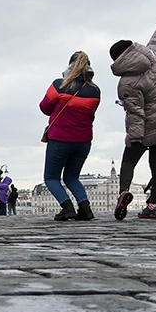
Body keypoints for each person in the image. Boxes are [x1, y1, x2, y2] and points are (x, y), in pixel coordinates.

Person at [110, 12, 156, 220]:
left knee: (128, 162)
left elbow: (135, 113)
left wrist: (135, 138)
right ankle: (153, 206)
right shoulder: (149, 58)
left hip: (147, 127)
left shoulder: (127, 83)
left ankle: (123, 192)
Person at [39, 51, 102, 221]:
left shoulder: (59, 85)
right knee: (72, 177)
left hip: (60, 139)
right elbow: (91, 113)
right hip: (83, 141)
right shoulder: (95, 91)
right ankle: (85, 208)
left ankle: (67, 208)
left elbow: (44, 107)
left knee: (51, 177)